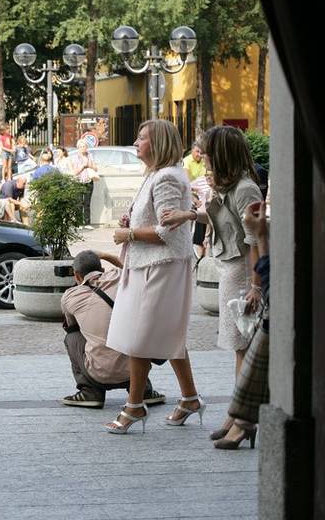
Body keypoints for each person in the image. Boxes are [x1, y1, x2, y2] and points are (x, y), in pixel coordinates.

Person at [161, 125, 264, 441]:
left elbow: (255, 239)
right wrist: (187, 215)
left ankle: (243, 420)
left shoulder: (246, 189)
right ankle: (237, 415)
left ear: (220, 155)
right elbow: (219, 218)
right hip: (230, 267)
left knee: (242, 347)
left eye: (206, 153)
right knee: (238, 347)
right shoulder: (227, 186)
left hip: (242, 270)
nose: (201, 158)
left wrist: (256, 286)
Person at [104, 119, 202, 434]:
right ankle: (189, 398)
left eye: (142, 137)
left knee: (141, 336)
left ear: (157, 143)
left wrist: (128, 232)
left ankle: (135, 406)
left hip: (159, 266)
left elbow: (166, 232)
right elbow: (160, 219)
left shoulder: (166, 179)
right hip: (151, 265)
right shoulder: (159, 175)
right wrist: (133, 218)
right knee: (165, 334)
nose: (136, 141)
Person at [60, 250, 164, 408]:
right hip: (136, 368)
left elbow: (72, 326)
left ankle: (90, 391)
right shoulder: (119, 276)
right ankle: (144, 390)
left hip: (98, 372)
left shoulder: (70, 296)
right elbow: (134, 269)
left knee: (72, 337)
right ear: (101, 270)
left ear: (76, 275)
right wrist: (108, 256)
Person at [213, 199, 269, 450]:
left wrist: (260, 234)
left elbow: (266, 268)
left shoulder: (244, 190)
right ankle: (240, 421)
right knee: (252, 349)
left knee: (257, 350)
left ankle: (242, 422)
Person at [183, 142, 209, 257]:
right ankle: (196, 241)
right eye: (197, 151)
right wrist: (194, 199)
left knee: (207, 205)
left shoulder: (204, 161)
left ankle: (205, 240)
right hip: (190, 193)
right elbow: (186, 185)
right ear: (192, 151)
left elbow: (207, 179)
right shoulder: (186, 162)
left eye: (201, 152)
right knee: (199, 208)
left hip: (202, 192)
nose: (199, 154)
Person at [68, 139, 99, 227]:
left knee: (87, 203)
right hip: (77, 182)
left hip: (88, 181)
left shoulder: (90, 156)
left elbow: (96, 168)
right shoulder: (73, 158)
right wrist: (82, 167)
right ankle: (79, 223)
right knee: (78, 203)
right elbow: (73, 173)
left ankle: (87, 223)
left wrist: (89, 165)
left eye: (84, 146)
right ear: (78, 148)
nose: (83, 148)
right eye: (81, 146)